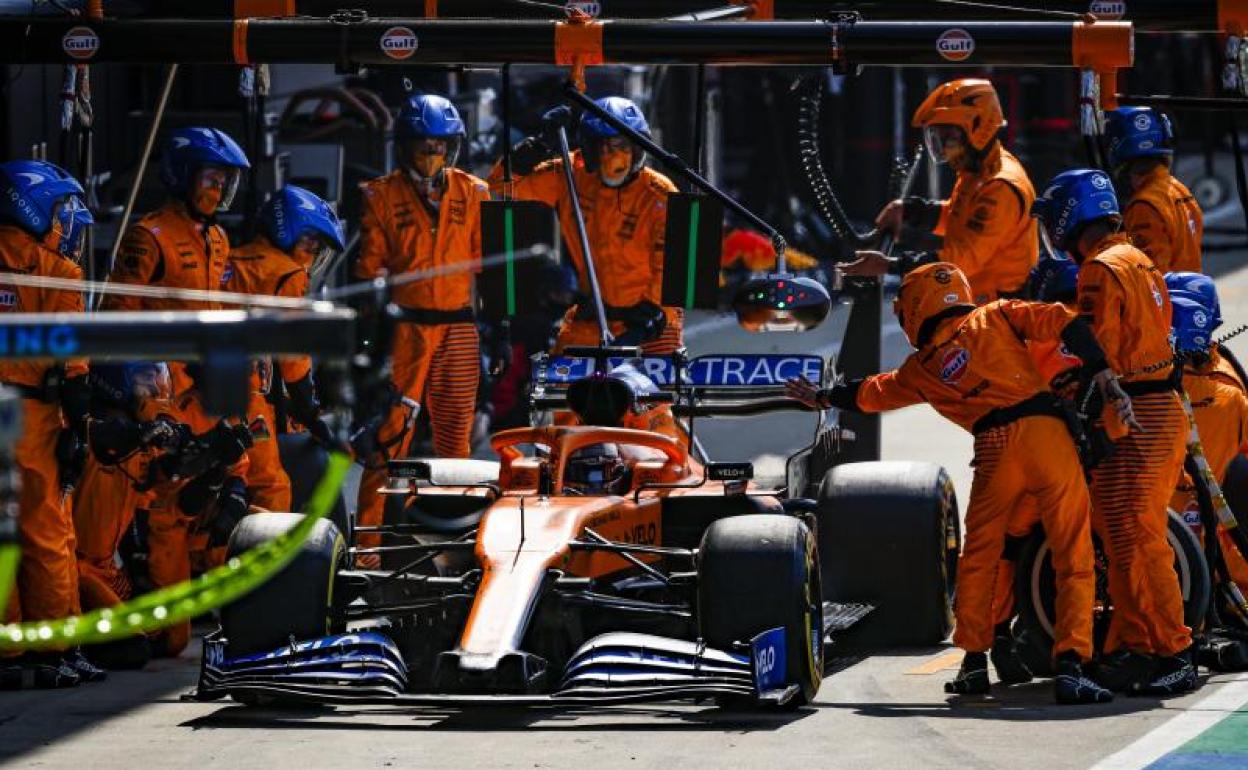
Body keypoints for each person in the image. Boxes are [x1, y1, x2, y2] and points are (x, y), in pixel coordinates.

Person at [787, 261, 1125, 704]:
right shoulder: (999, 313)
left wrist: (825, 396)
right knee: (1072, 549)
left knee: (980, 557)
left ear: (912, 310)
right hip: (1047, 435)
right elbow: (1065, 322)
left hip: (993, 448)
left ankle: (972, 664)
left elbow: (872, 392)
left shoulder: (922, 369)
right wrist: (1101, 369)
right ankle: (1072, 666)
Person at [1033, 168, 1196, 695]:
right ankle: (1138, 646)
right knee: (1122, 533)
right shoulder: (1138, 258)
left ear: (1067, 217)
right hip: (1153, 405)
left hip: (1139, 410)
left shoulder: (1100, 270)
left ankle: (1175, 651)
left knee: (1138, 535)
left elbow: (1094, 347)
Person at [353, 94, 489, 564]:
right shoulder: (378, 195)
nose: (430, 155)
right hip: (405, 329)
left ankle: (459, 541)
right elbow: (368, 267)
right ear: (404, 147)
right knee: (389, 437)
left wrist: (501, 326)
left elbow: (486, 263)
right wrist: (371, 330)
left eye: (439, 146)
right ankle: (368, 546)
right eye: (422, 146)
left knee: (456, 439)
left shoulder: (475, 192)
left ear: (452, 148)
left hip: (458, 327)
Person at [0, 160, 103, 688]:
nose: (67, 222)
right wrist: (78, 429)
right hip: (37, 415)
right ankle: (55, 650)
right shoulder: (57, 271)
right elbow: (75, 365)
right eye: (60, 209)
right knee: (47, 533)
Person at [494, 96, 681, 354]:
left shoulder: (663, 194)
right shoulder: (570, 174)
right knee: (561, 387)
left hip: (651, 321)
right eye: (604, 147)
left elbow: (679, 272)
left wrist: (654, 317)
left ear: (639, 148)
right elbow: (500, 185)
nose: (613, 157)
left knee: (656, 391)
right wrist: (538, 145)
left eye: (622, 146)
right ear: (589, 149)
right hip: (591, 317)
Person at [843, 79, 1038, 304]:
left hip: (1000, 316)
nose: (943, 147)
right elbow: (961, 221)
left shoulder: (1000, 186)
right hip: (979, 306)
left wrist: (890, 265)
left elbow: (964, 259)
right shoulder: (977, 173)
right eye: (937, 138)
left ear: (978, 128)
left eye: (948, 137)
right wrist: (909, 211)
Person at [224, 185, 344, 510]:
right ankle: (269, 559)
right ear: (287, 230)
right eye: (310, 244)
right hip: (245, 398)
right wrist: (309, 409)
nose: (312, 256)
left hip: (200, 391)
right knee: (271, 487)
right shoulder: (287, 273)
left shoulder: (228, 258)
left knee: (220, 489)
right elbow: (293, 354)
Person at [1104, 107, 1203, 274]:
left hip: (1169, 297)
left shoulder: (1143, 206)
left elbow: (1152, 273)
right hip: (1194, 293)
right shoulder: (1181, 190)